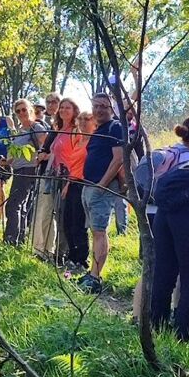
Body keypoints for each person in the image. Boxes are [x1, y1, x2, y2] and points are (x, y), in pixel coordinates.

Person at [149, 115, 189, 337]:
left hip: (161, 215)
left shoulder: (168, 152)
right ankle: (183, 333)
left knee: (162, 273)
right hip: (187, 217)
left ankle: (155, 327)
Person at [80, 92, 126, 294]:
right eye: (96, 106)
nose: (99, 110)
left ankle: (96, 277)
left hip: (102, 188)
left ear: (111, 108)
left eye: (104, 106)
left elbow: (118, 159)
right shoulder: (99, 129)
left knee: (99, 232)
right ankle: (92, 272)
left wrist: (102, 184)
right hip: (89, 186)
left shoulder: (115, 127)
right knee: (94, 232)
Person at [34, 97, 79, 263]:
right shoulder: (57, 129)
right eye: (62, 108)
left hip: (67, 177)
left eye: (68, 107)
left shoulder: (77, 130)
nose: (63, 110)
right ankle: (45, 251)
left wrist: (69, 181)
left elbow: (78, 156)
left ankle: (62, 253)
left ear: (74, 111)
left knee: (63, 217)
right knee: (47, 213)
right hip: (51, 175)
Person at [3, 98, 45, 245]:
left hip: (29, 171)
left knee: (14, 204)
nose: (21, 113)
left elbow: (46, 148)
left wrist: (38, 160)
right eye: (18, 111)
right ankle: (19, 239)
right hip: (18, 170)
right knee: (21, 204)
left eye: (24, 109)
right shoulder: (20, 131)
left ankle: (10, 239)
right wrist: (6, 162)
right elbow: (14, 154)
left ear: (30, 110)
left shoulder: (37, 128)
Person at [54, 110, 93, 272]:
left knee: (79, 224)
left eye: (87, 119)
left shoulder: (95, 141)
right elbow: (73, 167)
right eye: (81, 119)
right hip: (72, 183)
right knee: (67, 222)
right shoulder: (78, 141)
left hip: (85, 184)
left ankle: (82, 260)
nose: (83, 122)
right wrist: (67, 185)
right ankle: (72, 256)